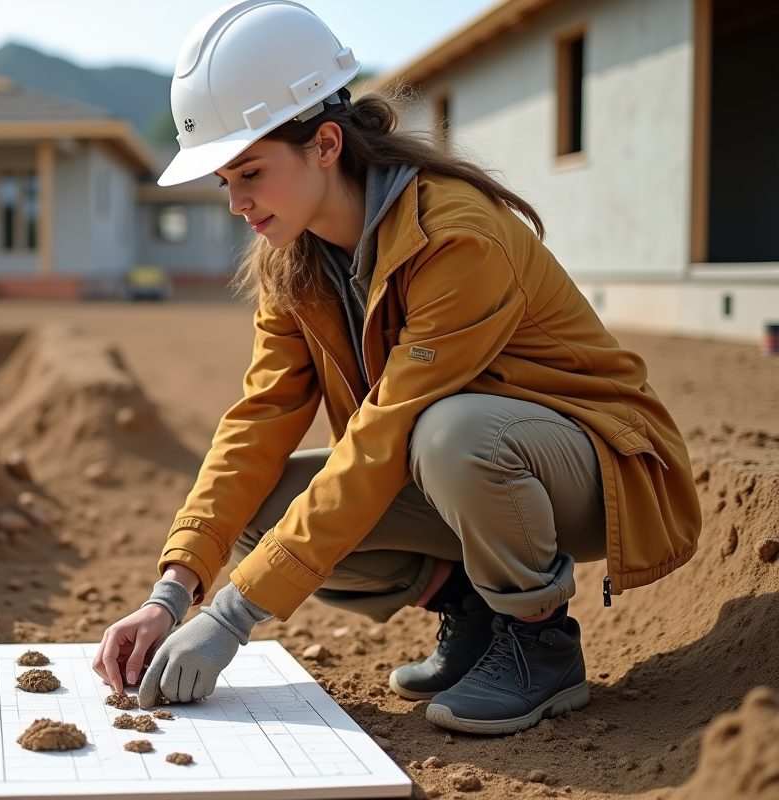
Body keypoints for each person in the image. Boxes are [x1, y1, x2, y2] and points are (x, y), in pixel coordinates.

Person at [93, 0, 701, 736]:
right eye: (225, 181)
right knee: (263, 512)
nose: (236, 202)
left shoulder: (457, 240)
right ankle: (472, 610)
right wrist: (173, 590)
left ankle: (540, 642)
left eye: (250, 172)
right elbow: (258, 420)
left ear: (323, 144)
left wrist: (233, 616)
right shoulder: (296, 264)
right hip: (458, 468)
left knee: (451, 432)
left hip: (595, 471)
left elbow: (387, 433)